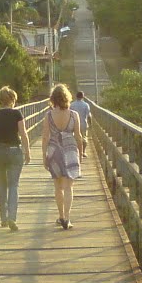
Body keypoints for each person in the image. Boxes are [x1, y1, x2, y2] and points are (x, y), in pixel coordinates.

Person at [0, 85, 31, 231]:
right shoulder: (16, 114)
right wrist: (27, 152)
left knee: (1, 185)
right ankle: (12, 217)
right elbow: (23, 134)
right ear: (12, 100)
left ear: (0, 100)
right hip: (14, 151)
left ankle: (3, 219)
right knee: (13, 185)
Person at [42, 84, 84, 230]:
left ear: (53, 99)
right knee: (68, 187)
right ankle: (67, 218)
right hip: (70, 150)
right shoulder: (74, 115)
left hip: (54, 151)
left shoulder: (48, 116)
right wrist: (81, 152)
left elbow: (45, 137)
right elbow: (78, 136)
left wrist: (44, 156)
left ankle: (60, 216)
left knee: (57, 186)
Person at [70, 91, 92, 159]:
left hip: (74, 124)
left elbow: (69, 115)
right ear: (83, 97)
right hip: (83, 123)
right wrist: (90, 124)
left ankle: (76, 151)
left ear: (76, 96)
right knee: (84, 138)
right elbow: (89, 116)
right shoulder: (86, 105)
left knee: (74, 138)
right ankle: (83, 152)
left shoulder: (72, 105)